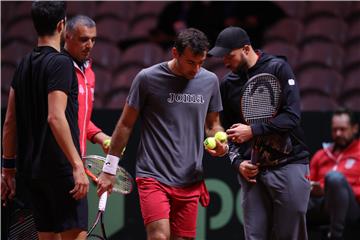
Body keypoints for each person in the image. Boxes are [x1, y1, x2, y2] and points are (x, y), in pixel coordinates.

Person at [97, 28, 228, 240]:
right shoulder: (147, 78)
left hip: (190, 178)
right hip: (153, 174)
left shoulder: (210, 81)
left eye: (201, 63)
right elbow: (125, 124)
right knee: (159, 236)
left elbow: (214, 125)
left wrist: (221, 142)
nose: (196, 69)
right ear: (175, 53)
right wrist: (109, 168)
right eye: (190, 62)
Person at [208, 26, 311, 239]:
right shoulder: (227, 84)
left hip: (289, 163)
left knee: (290, 235)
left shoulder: (278, 68)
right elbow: (229, 134)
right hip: (252, 171)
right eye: (222, 57)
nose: (225, 62)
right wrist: (237, 163)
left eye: (230, 56)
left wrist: (253, 130)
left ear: (246, 49)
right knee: (254, 236)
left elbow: (292, 117)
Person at [1, 2, 89, 240]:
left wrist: (7, 170)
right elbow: (55, 116)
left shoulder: (22, 65)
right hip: (61, 170)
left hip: (33, 172)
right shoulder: (61, 63)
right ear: (62, 25)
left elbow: (9, 122)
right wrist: (77, 165)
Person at [307, 108, 360, 240]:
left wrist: (331, 190)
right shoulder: (321, 155)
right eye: (334, 129)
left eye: (343, 129)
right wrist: (312, 188)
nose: (338, 133)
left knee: (334, 179)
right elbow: (307, 182)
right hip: (322, 206)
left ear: (354, 129)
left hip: (352, 208)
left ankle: (335, 236)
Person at [63, 15, 110, 157]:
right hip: (60, 160)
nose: (89, 45)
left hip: (78, 159)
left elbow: (79, 118)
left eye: (93, 39)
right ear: (67, 36)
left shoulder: (89, 73)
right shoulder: (59, 69)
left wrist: (101, 137)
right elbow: (56, 117)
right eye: (84, 39)